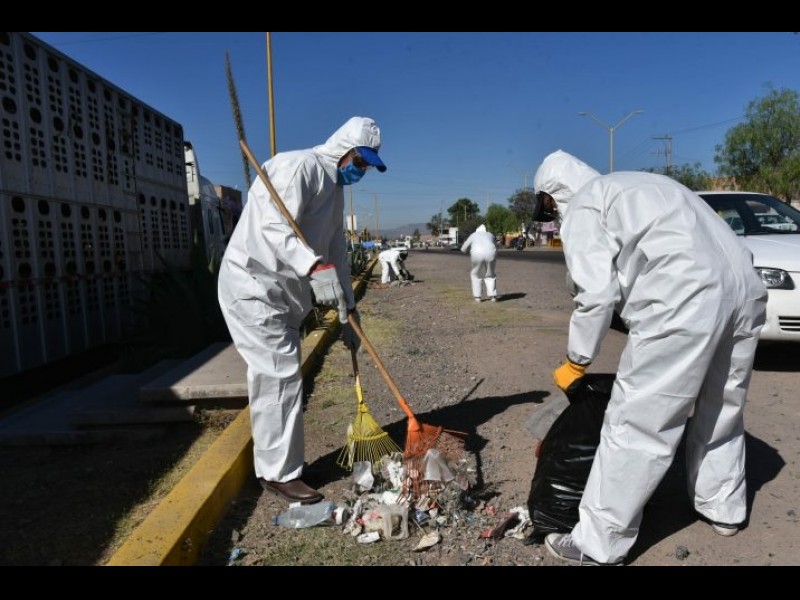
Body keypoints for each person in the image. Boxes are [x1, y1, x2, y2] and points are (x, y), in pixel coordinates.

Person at [532, 150, 767, 566]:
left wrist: (576, 360)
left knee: (638, 419)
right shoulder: (643, 184)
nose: (550, 214)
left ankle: (600, 543)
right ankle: (723, 506)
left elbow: (595, 295)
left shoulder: (587, 203)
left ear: (552, 194)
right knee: (722, 406)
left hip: (683, 296)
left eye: (546, 206)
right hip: (745, 291)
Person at [217, 116, 387, 504]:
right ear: (344, 149)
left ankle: (284, 465)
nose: (361, 171)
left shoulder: (334, 190)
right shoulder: (299, 167)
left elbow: (336, 250)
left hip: (282, 293)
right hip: (254, 284)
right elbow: (272, 227)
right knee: (277, 376)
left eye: (367, 166)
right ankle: (278, 474)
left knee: (283, 375)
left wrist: (349, 307)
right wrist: (311, 265)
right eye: (359, 162)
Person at [460, 224, 498, 302]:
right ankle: (493, 296)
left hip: (476, 254)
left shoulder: (473, 235)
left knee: (476, 274)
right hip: (491, 253)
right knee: (491, 274)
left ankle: (477, 297)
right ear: (485, 230)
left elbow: (463, 248)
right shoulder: (490, 234)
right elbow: (496, 246)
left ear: (477, 230)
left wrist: (467, 250)